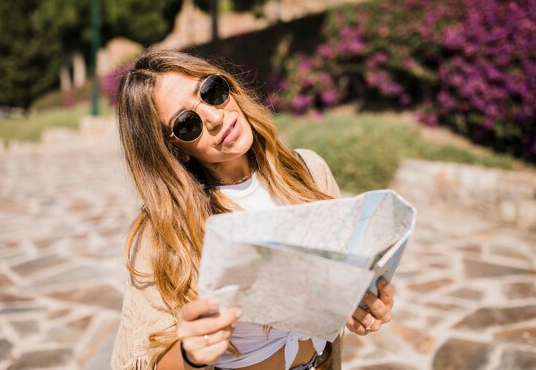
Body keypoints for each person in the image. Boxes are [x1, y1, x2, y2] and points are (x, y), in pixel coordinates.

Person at [110, 48, 394, 370]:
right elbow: (139, 360)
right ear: (175, 150)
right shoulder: (162, 231)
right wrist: (189, 354)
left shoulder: (310, 172)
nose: (216, 118)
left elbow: (340, 291)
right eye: (188, 124)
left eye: (211, 91)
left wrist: (361, 307)